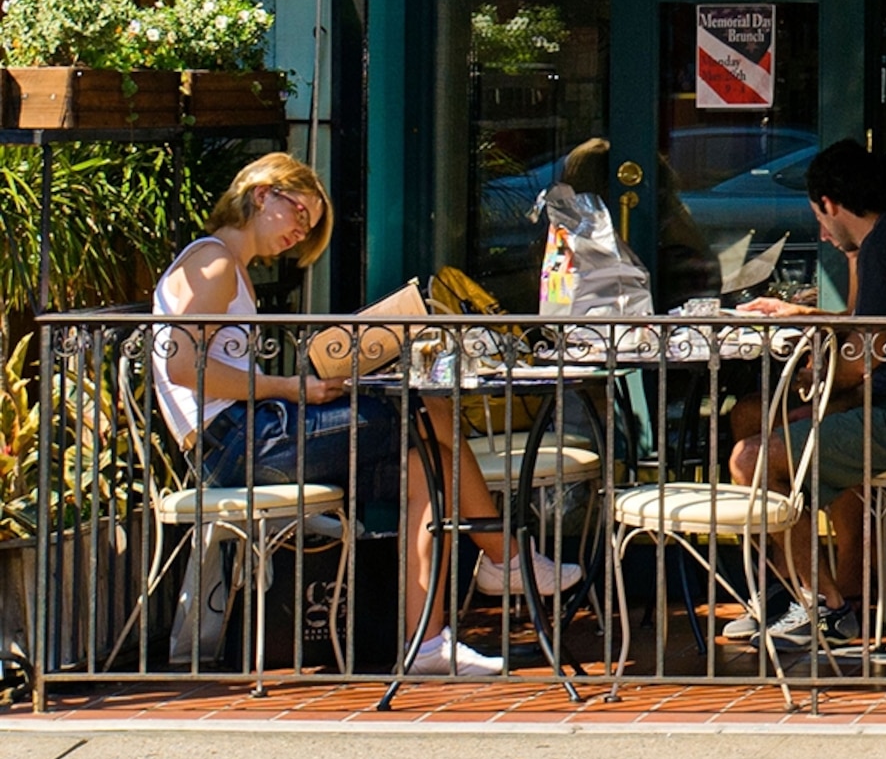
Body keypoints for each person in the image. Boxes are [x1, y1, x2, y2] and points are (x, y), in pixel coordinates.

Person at [151, 154, 575, 679]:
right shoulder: (212, 264)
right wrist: (293, 387)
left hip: (250, 437)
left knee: (430, 466)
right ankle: (504, 556)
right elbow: (183, 366)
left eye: (307, 224)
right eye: (299, 214)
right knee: (424, 407)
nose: (300, 232)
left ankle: (428, 644)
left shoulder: (226, 268)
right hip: (236, 443)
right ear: (263, 194)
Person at [724, 141, 886, 657]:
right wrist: (807, 321)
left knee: (751, 457)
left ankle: (821, 604)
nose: (821, 230)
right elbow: (873, 332)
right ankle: (792, 591)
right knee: (752, 419)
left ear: (829, 203)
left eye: (818, 215)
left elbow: (865, 356)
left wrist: (816, 383)